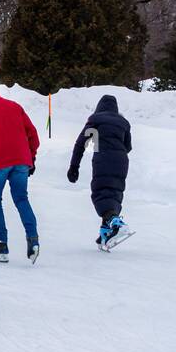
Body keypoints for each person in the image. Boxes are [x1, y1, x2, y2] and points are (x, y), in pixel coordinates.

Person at [0, 73, 41, 264]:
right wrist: (31, 158)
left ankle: (1, 243)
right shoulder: (15, 106)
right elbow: (33, 134)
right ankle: (33, 240)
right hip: (21, 162)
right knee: (21, 198)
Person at [68, 95, 133, 250]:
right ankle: (106, 231)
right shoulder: (124, 123)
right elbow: (128, 146)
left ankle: (115, 222)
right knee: (114, 193)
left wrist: (74, 167)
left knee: (100, 192)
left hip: (103, 159)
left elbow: (80, 144)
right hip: (122, 161)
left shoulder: (96, 120)